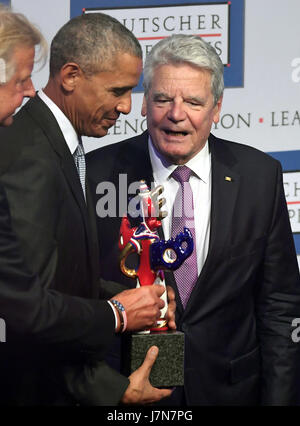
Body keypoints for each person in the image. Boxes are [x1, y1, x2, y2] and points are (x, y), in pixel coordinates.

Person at [87, 34, 300, 405]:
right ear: (144, 103)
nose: (176, 114)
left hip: (232, 392)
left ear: (217, 108)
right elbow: (76, 298)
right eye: (163, 99)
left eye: (194, 102)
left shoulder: (259, 176)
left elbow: (279, 305)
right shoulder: (97, 176)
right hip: (132, 393)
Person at [0, 10, 175, 406]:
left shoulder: (56, 144)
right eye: (117, 91)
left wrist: (137, 299)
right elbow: (30, 310)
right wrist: (115, 384)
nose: (128, 107)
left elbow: (54, 277)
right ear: (71, 76)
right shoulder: (29, 154)